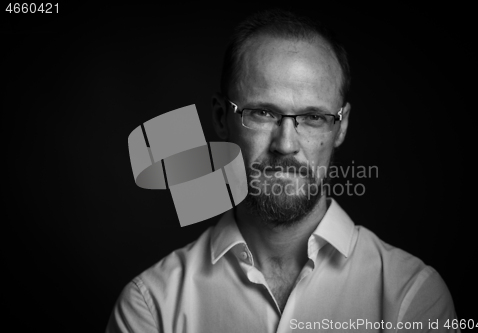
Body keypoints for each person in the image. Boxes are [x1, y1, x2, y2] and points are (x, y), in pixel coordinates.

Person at [106, 9, 459, 333]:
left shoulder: (412, 296)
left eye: (314, 117)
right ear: (220, 118)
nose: (286, 144)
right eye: (262, 113)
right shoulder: (151, 306)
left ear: (341, 127)